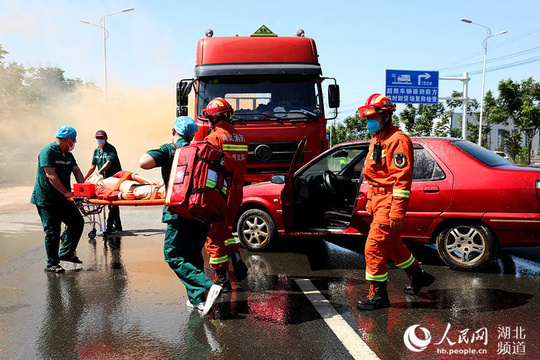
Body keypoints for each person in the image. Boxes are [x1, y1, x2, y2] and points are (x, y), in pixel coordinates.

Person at [356, 94, 435, 310]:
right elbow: (374, 175)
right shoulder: (377, 139)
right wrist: (371, 200)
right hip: (378, 200)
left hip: (390, 202)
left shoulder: (398, 140)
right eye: (367, 119)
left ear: (386, 117)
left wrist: (397, 211)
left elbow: (401, 179)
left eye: (372, 118)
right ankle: (418, 275)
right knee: (391, 245)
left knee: (374, 247)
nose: (369, 123)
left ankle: (378, 296)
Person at [139, 116, 221, 316]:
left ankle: (208, 286)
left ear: (173, 131)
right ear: (193, 134)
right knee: (192, 255)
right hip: (202, 212)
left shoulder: (170, 149)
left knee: (173, 254)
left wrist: (165, 149)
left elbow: (143, 163)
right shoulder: (201, 151)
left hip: (179, 213)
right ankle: (198, 301)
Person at [201, 97, 249, 291]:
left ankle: (221, 278)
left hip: (221, 191)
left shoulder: (214, 138)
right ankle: (236, 258)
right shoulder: (241, 138)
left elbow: (207, 168)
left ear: (214, 118)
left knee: (213, 233)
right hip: (237, 191)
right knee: (225, 227)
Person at [31, 125, 85, 273]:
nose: (74, 143)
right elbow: (50, 175)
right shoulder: (48, 152)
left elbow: (77, 171)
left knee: (77, 222)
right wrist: (67, 193)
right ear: (67, 139)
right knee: (52, 231)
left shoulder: (68, 155)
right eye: (73, 140)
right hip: (47, 199)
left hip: (63, 198)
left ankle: (66, 253)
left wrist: (84, 188)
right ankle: (52, 264)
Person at [84, 130, 123, 233]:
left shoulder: (110, 149)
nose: (99, 140)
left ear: (106, 138)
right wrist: (83, 179)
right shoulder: (96, 151)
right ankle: (118, 226)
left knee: (112, 202)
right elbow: (92, 166)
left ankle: (110, 226)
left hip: (113, 179)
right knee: (109, 202)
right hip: (104, 181)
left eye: (101, 137)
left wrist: (100, 172)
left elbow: (108, 162)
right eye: (97, 138)